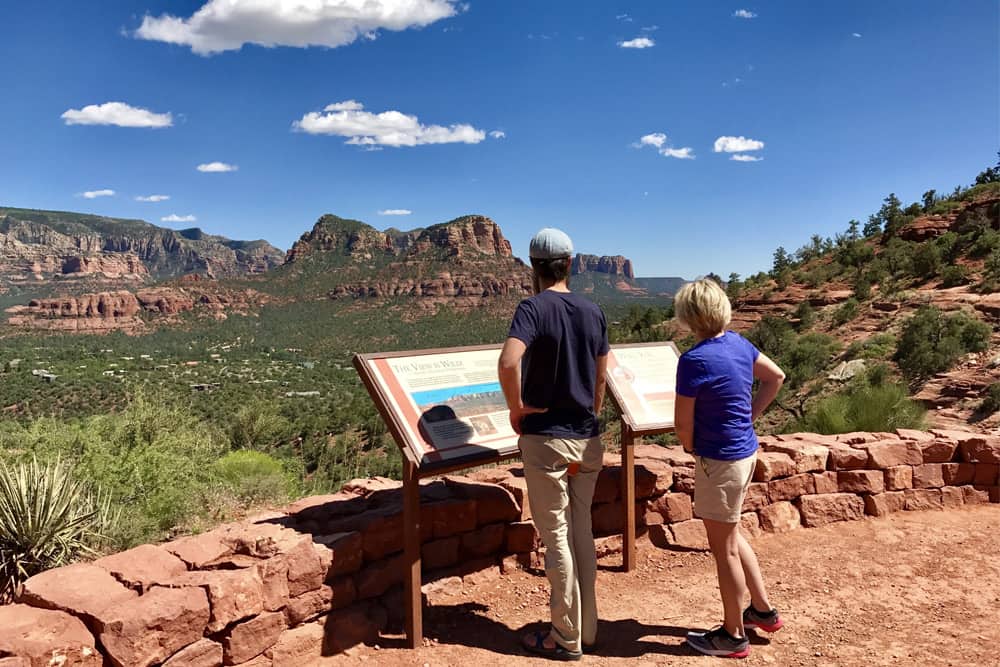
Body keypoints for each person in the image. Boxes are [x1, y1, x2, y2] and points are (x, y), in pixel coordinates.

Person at [498, 227, 609, 662]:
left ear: (533, 267)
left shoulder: (533, 307)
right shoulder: (593, 310)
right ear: (571, 263)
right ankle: (590, 629)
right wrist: (593, 410)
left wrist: (516, 409)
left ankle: (565, 637)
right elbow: (601, 374)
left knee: (556, 536)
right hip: (588, 438)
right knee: (582, 529)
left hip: (547, 441)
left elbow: (508, 361)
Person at [672, 278, 786, 659]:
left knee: (724, 552)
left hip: (718, 461)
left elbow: (683, 424)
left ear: (690, 317)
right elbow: (776, 377)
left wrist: (689, 447)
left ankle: (733, 635)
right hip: (744, 453)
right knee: (732, 537)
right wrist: (750, 418)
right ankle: (763, 611)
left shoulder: (693, 360)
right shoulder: (738, 343)